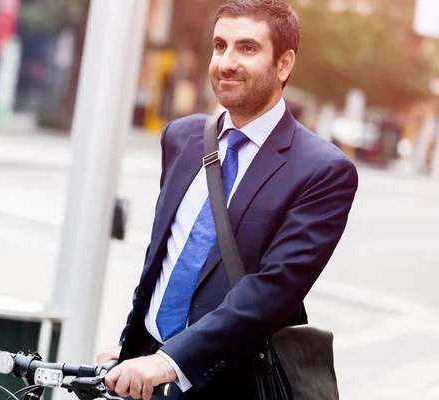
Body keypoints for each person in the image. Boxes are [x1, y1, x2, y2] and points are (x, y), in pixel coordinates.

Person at [97, 1, 359, 399]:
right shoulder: (181, 138)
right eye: (220, 46)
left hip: (231, 384)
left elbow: (272, 290)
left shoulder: (323, 171)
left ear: (284, 64)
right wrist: (138, 347)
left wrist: (172, 360)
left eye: (247, 48)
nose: (226, 62)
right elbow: (164, 258)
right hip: (145, 374)